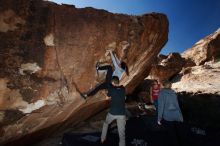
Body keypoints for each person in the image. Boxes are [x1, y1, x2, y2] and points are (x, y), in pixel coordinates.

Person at [100, 76, 126, 146]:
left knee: (106, 124)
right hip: (122, 114)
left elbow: (107, 97)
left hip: (112, 113)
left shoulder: (111, 89)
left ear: (113, 82)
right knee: (121, 133)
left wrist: (105, 93)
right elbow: (119, 90)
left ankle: (102, 139)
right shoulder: (123, 89)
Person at [157, 80, 183, 146]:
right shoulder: (173, 92)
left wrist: (159, 118)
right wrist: (180, 116)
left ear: (163, 85)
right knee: (178, 132)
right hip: (176, 115)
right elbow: (177, 105)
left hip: (168, 116)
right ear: (170, 86)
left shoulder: (161, 93)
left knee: (171, 133)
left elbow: (161, 106)